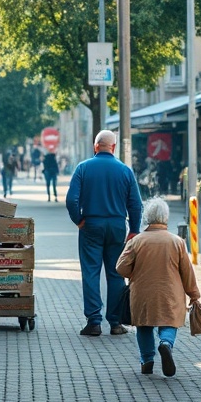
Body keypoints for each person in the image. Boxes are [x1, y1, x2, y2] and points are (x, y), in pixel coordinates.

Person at [65, 129, 142, 337]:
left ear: (95, 146)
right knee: (116, 273)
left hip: (91, 225)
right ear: (114, 147)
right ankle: (116, 323)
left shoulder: (83, 168)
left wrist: (79, 220)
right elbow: (136, 204)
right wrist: (134, 229)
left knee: (90, 272)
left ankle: (94, 321)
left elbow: (71, 199)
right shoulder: (125, 171)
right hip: (117, 226)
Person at [116, 197, 201, 378]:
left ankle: (147, 360)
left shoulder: (137, 241)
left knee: (144, 325)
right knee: (169, 321)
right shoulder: (177, 242)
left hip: (142, 292)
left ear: (147, 217)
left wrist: (134, 273)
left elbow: (120, 267)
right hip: (170, 292)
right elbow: (187, 272)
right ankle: (166, 343)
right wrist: (193, 294)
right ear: (165, 217)